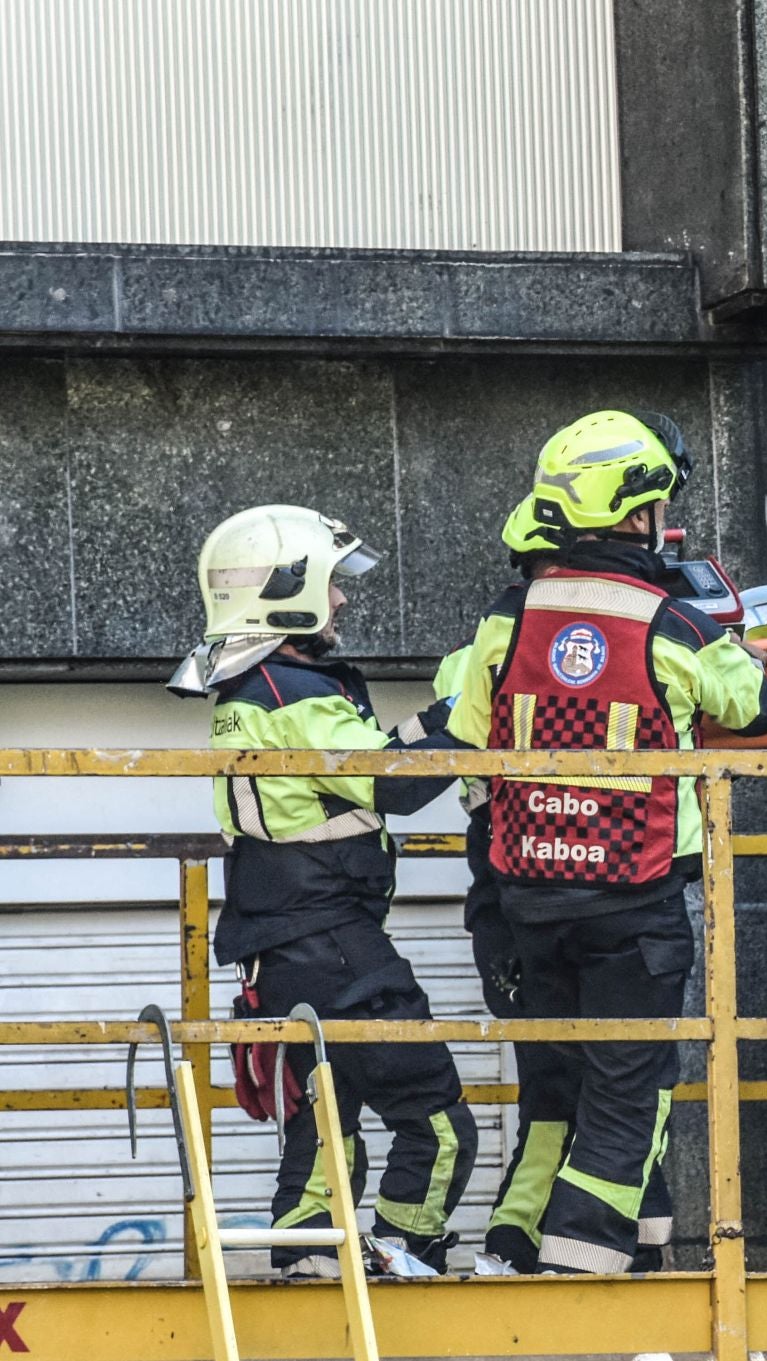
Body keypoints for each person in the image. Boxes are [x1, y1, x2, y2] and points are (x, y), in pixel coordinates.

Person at [447, 410, 767, 1275]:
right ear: (637, 515)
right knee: (630, 1089)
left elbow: (467, 736)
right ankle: (580, 1265)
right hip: (636, 903)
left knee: (556, 1087)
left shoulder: (506, 617)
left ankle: (525, 1242)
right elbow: (756, 704)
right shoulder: (671, 619)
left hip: (532, 902)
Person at [168, 504, 478, 1277]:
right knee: (439, 1124)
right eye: (331, 584)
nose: (341, 600)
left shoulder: (256, 686)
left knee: (323, 1111)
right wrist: (470, 711)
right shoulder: (291, 689)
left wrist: (434, 718)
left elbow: (367, 757)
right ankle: (409, 1249)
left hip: (281, 945)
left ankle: (305, 1251)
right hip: (337, 942)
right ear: (289, 590)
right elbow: (393, 788)